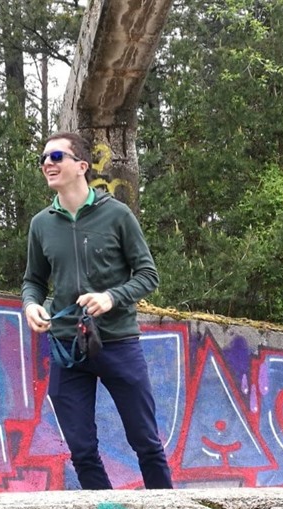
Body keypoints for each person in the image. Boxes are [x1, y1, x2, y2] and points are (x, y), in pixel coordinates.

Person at [21, 131, 173, 490]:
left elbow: (148, 274)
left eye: (56, 157)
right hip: (67, 348)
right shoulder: (41, 225)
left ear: (81, 166)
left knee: (146, 444)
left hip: (118, 342)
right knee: (82, 451)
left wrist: (111, 297)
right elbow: (34, 281)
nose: (47, 163)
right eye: (43, 158)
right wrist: (30, 305)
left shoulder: (117, 215)